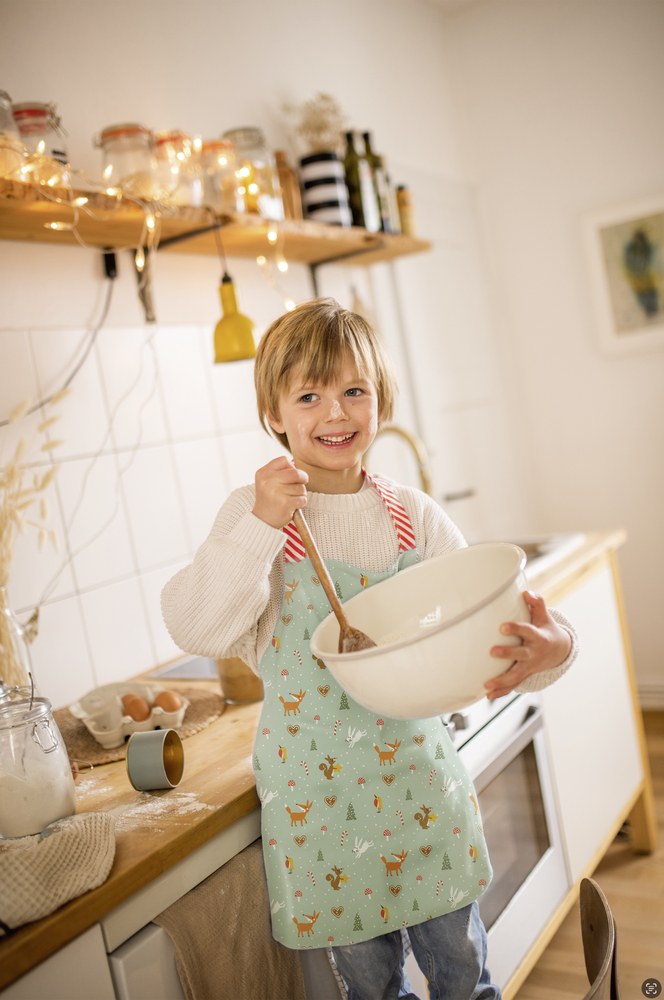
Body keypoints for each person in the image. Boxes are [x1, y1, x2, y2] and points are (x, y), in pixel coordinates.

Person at [162, 299, 577, 1000]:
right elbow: (196, 628)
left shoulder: (413, 516)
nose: (336, 412)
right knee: (373, 992)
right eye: (309, 395)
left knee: (465, 979)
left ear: (381, 401)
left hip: (424, 795)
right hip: (320, 813)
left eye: (355, 390)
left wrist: (555, 644)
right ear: (274, 413)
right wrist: (261, 525)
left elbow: (499, 618)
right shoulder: (255, 515)